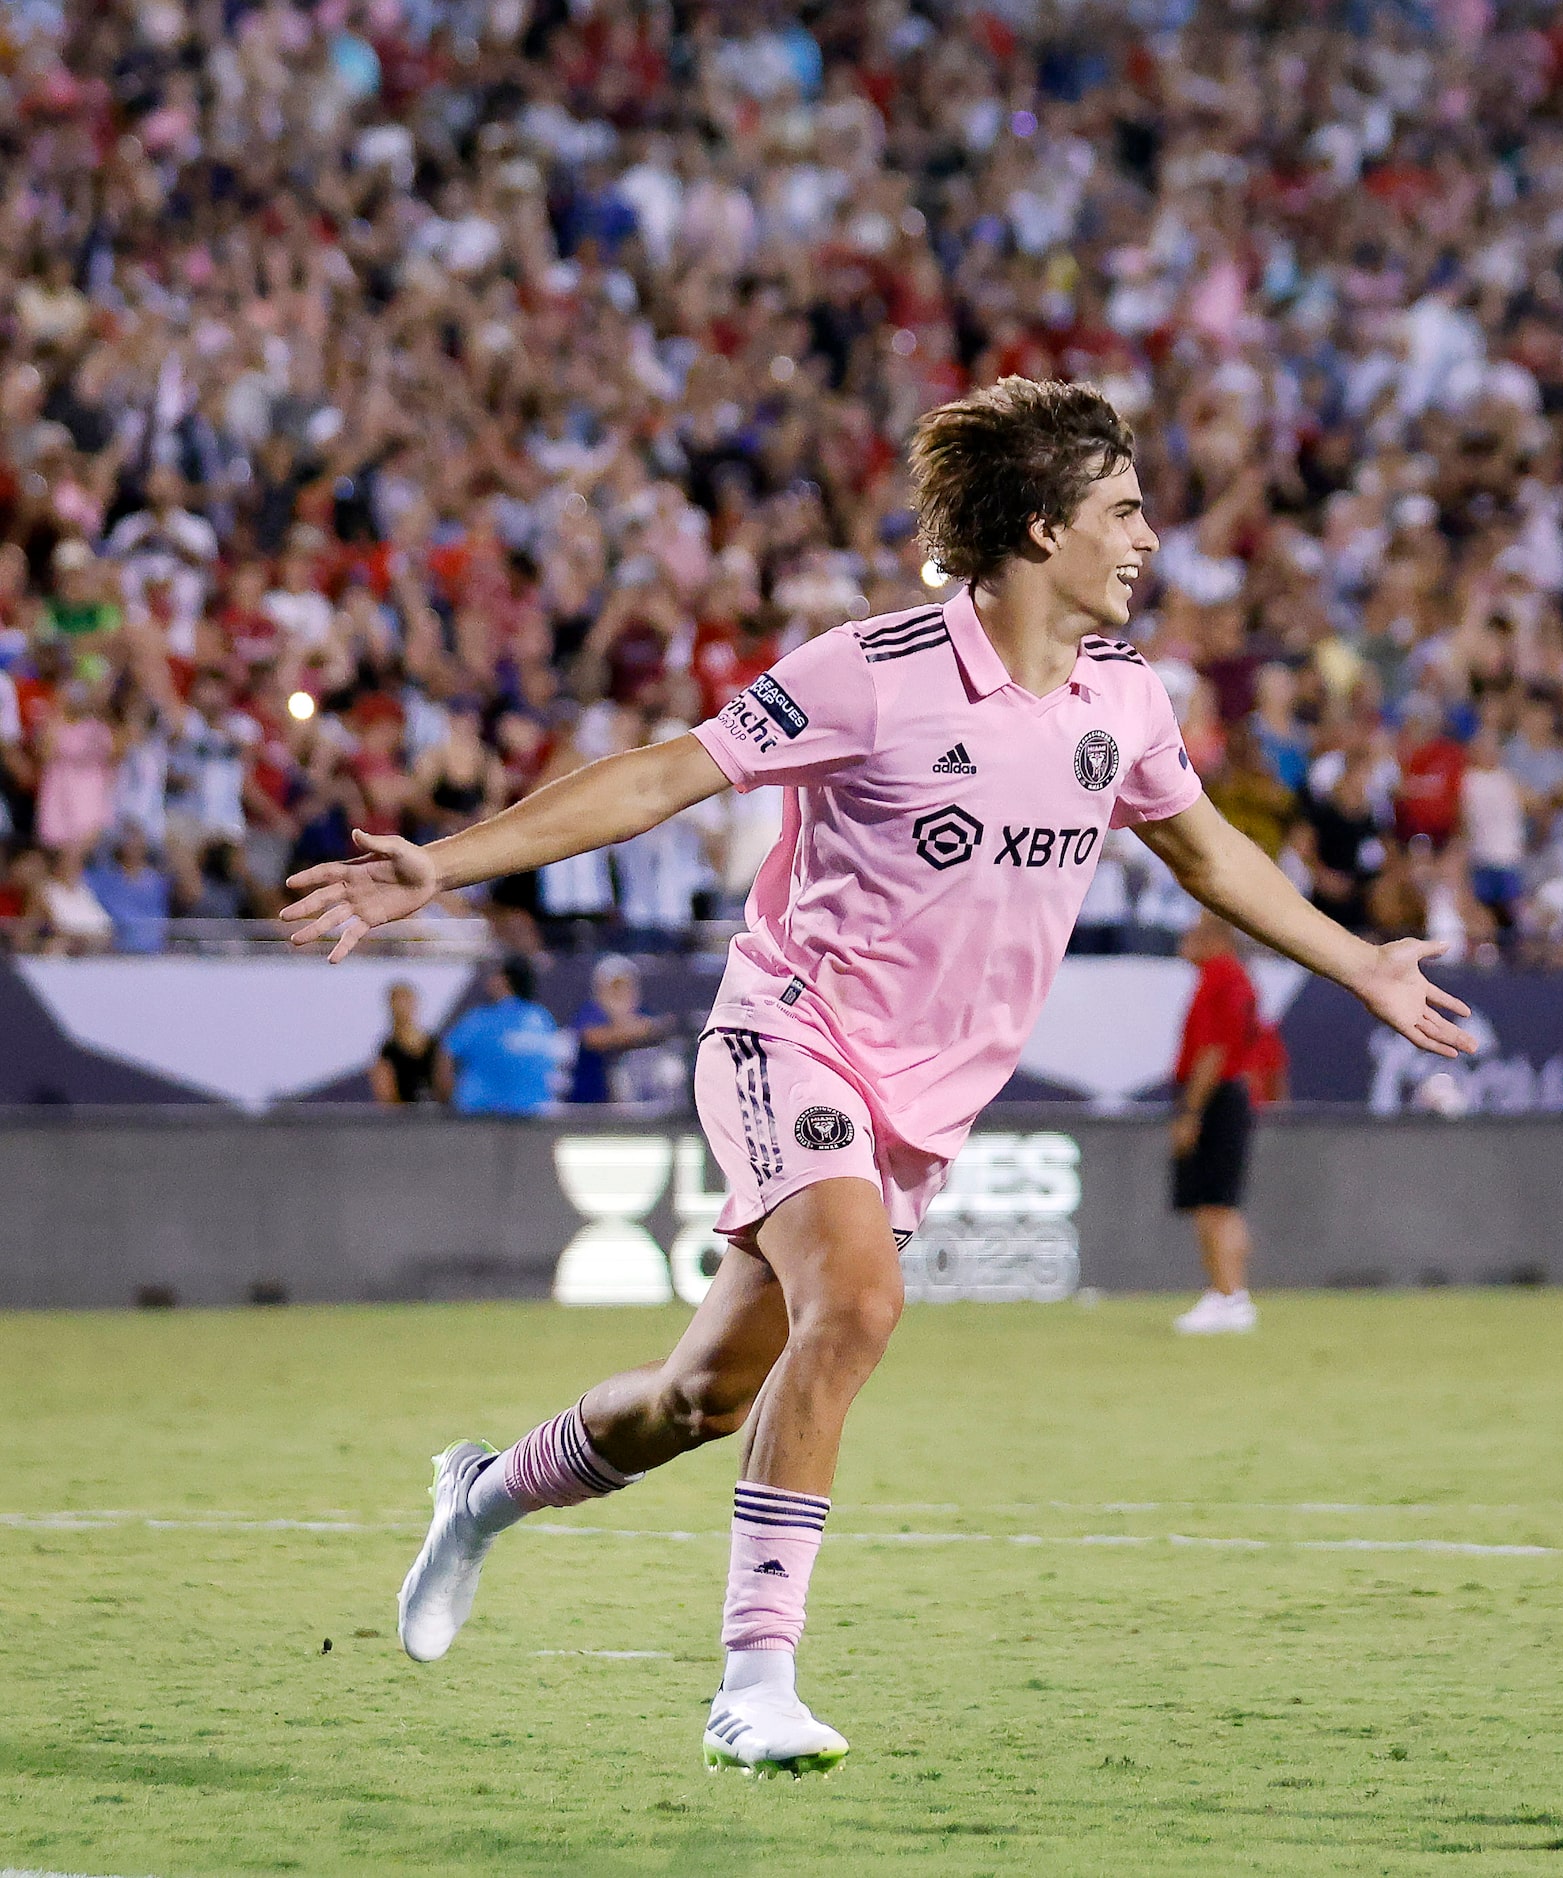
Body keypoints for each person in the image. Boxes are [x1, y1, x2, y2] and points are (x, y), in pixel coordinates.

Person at [278, 379, 1475, 1779]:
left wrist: (1360, 965)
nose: (1149, 537)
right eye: (1122, 510)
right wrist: (449, 865)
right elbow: (668, 776)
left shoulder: (1124, 704)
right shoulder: (874, 668)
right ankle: (753, 1679)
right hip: (786, 1032)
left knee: (696, 1399)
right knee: (855, 1299)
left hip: (921, 1106)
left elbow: (1208, 857)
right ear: (1041, 527)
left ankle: (483, 1491)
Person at [1169, 914, 1274, 1335]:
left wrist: (1191, 1111)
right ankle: (1227, 1294)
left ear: (1214, 938)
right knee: (1219, 1202)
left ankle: (1228, 1296)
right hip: (1228, 1094)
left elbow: (1212, 1050)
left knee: (1215, 1205)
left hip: (1217, 1097)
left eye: (1192, 933)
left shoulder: (1221, 977)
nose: (1184, 940)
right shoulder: (1237, 979)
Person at [441, 956, 564, 1117]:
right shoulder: (542, 1018)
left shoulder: (478, 1020)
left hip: (480, 1115)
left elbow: (444, 1057)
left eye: (494, 974)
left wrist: (447, 1103)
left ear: (504, 980)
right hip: (533, 1115)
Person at [568, 955, 682, 1106]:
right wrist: (630, 1030)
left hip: (637, 1105)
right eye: (615, 987)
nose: (622, 993)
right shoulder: (592, 1012)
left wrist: (640, 1028)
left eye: (626, 986)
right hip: (591, 1104)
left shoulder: (642, 1012)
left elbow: (660, 1027)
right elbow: (593, 1039)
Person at [372, 980, 451, 1106]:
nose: (403, 1007)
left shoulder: (433, 1045)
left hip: (435, 1116)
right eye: (399, 1002)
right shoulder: (388, 1050)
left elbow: (444, 1084)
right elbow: (385, 1094)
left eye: (407, 1001)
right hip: (404, 1119)